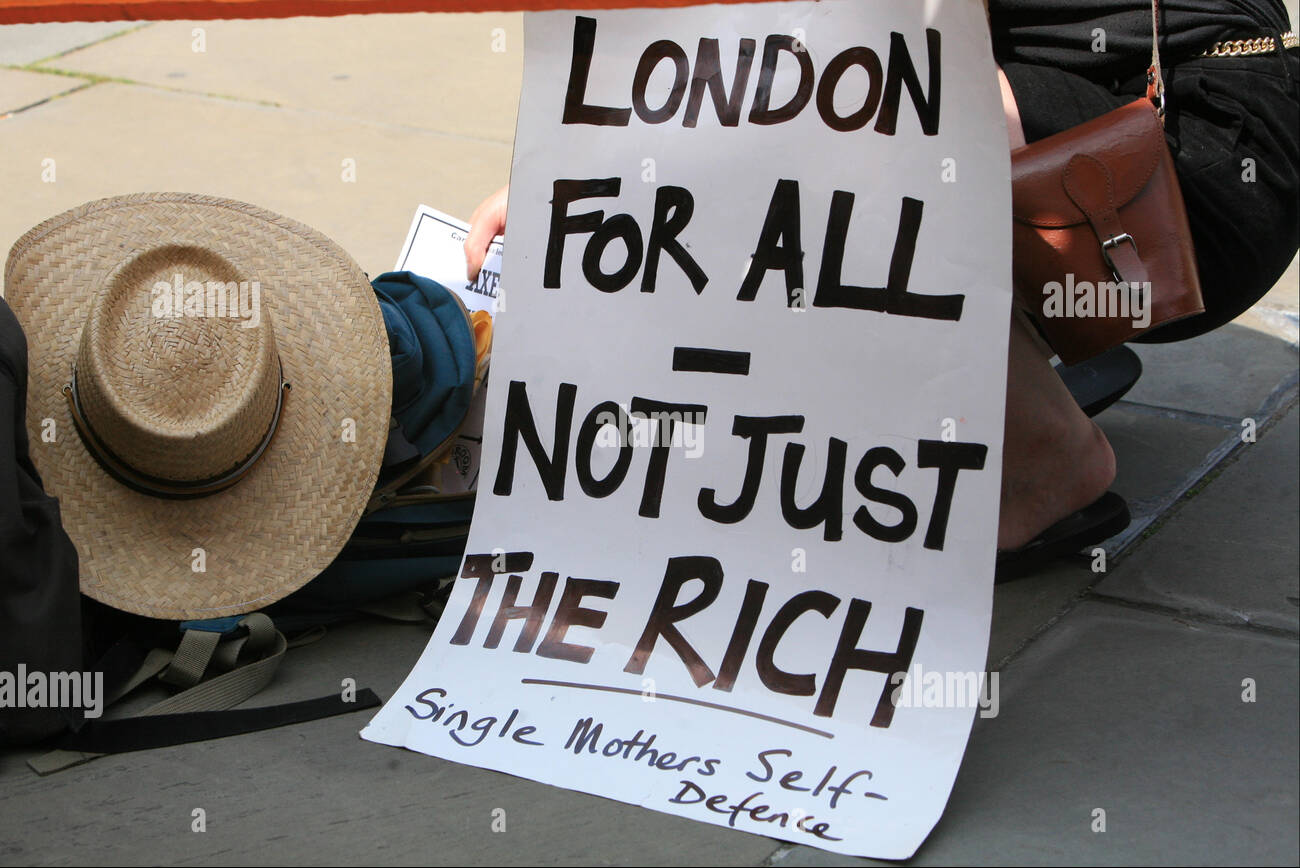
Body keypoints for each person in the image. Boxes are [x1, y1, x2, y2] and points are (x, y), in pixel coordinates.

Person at [463, 0, 1299, 578]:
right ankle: (1012, 372)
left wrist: (596, 181)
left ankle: (1046, 461)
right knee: (830, 133)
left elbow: (868, 72)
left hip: (1194, 167)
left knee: (856, 134)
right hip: (1113, 148)